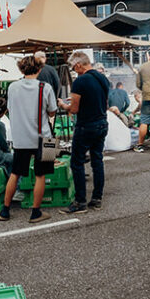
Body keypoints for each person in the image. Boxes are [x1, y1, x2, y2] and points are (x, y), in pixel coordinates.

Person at [0, 56, 56, 222]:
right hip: (44, 137)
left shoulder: (12, 87)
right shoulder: (45, 87)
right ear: (39, 69)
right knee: (41, 175)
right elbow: (52, 111)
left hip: (20, 137)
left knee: (15, 173)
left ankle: (5, 210)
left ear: (21, 70)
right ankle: (36, 212)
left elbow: (10, 108)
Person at [58, 51, 111, 213]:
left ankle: (80, 201)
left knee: (77, 162)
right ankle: (97, 198)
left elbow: (74, 109)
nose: (74, 70)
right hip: (102, 122)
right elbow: (99, 98)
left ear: (79, 65)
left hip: (86, 125)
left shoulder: (80, 81)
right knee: (97, 161)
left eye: (74, 67)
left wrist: (63, 105)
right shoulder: (102, 78)